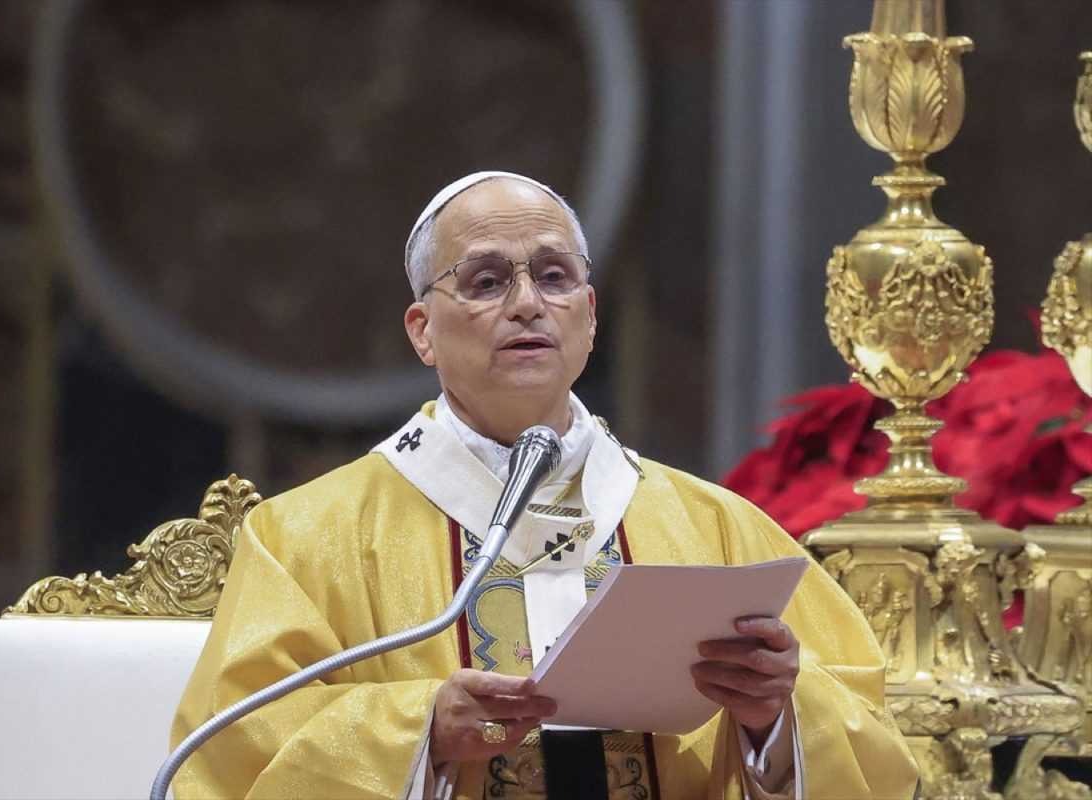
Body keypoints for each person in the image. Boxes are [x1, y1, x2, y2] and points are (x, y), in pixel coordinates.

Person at [171, 171, 919, 799]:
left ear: (589, 317)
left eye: (555, 277)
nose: (528, 302)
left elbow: (879, 752)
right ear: (423, 330)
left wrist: (775, 717)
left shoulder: (718, 528)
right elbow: (228, 759)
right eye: (486, 280)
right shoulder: (304, 540)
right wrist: (421, 732)